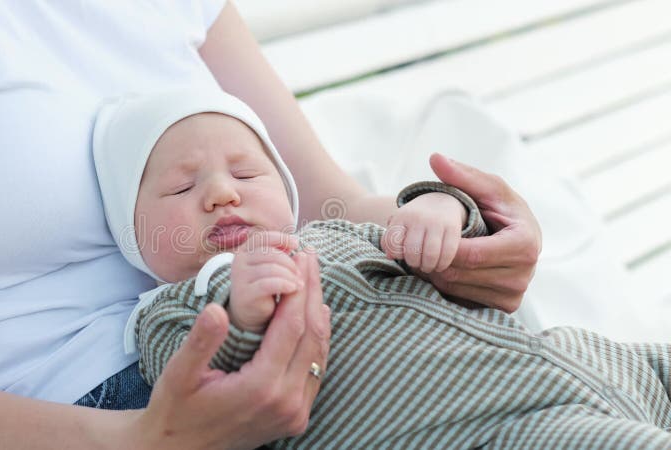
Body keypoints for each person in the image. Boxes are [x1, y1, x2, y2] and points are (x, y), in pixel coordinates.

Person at [0, 1, 541, 449]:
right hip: (95, 414)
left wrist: (456, 227)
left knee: (543, 396)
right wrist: (144, 438)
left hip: (281, 343)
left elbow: (322, 201)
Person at [97, 88, 671, 449]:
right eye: (181, 185)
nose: (222, 193)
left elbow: (428, 245)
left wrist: (441, 210)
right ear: (131, 230)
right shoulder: (169, 313)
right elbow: (198, 396)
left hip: (591, 360)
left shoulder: (334, 233)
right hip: (495, 426)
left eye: (246, 174)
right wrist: (240, 319)